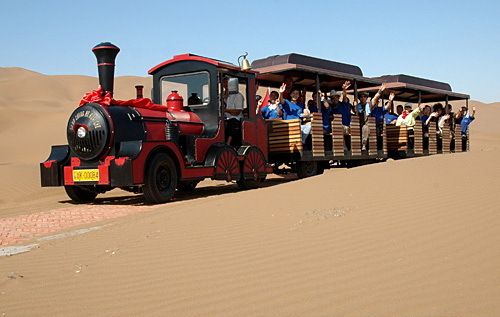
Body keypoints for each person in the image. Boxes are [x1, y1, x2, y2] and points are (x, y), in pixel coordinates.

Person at [355, 83, 386, 151]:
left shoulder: (368, 105)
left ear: (366, 98)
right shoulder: (357, 106)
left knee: (365, 128)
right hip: (357, 125)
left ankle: (364, 145)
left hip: (367, 125)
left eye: (364, 97)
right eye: (361, 97)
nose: (363, 98)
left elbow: (375, 98)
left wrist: (380, 91)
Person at [224, 77, 244, 146]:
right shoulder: (220, 96)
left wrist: (225, 110)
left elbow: (237, 112)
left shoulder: (238, 96)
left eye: (228, 83)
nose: (226, 84)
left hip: (237, 120)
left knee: (232, 122)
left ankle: (228, 144)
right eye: (224, 82)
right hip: (223, 118)